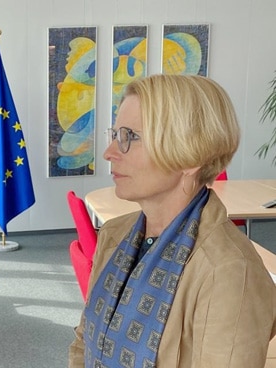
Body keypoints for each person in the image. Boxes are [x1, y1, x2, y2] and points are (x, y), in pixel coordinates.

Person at [68, 74, 276, 367]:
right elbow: (84, 345)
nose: (109, 153)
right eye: (115, 135)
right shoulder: (116, 235)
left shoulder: (229, 273)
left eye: (132, 137)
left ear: (190, 156)